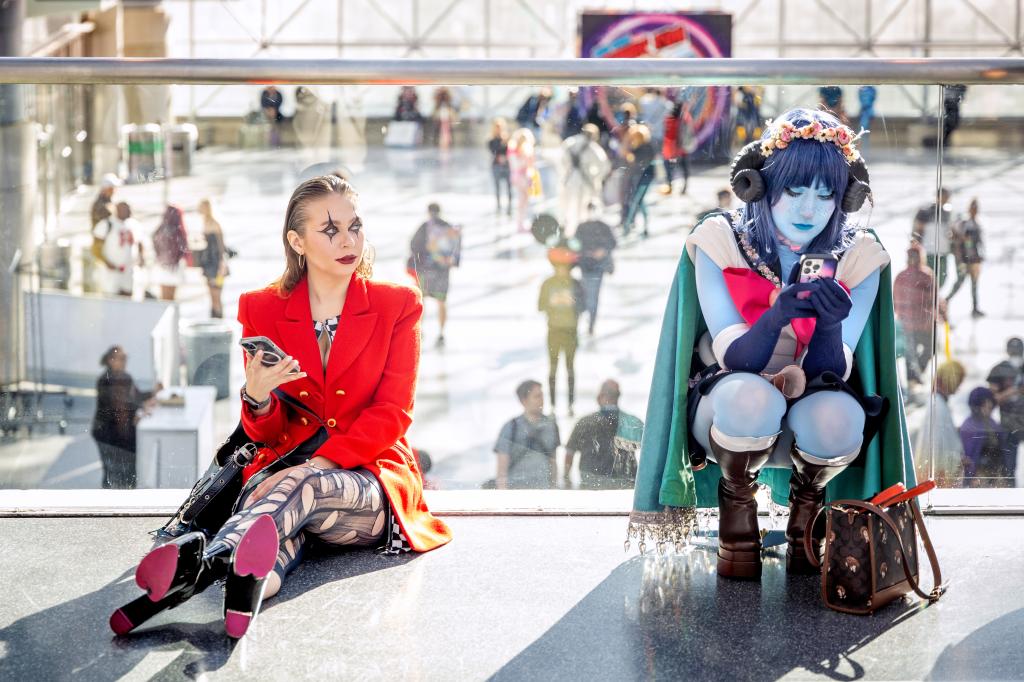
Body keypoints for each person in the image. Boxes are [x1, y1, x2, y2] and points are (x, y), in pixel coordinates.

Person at [116, 175, 452, 638]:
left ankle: (201, 566)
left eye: (354, 226)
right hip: (283, 486)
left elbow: (393, 413)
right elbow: (266, 433)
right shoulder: (261, 308)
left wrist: (318, 464)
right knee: (270, 550)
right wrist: (257, 396)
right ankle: (235, 584)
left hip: (369, 483)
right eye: (330, 229)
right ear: (297, 241)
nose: (348, 239)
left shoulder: (398, 304)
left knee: (299, 488)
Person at [629, 108, 912, 581]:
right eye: (794, 190)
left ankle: (808, 519)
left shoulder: (859, 255)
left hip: (810, 408)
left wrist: (827, 323)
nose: (809, 209)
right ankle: (737, 527)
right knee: (751, 395)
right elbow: (735, 356)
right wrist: (778, 314)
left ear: (846, 197)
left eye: (826, 194)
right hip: (729, 408)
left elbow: (832, 373)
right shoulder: (721, 239)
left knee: (842, 416)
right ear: (756, 186)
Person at [91, 346, 160, 489]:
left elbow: (135, 396)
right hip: (108, 434)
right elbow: (117, 405)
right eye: (121, 358)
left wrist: (152, 393)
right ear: (110, 361)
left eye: (125, 358)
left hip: (122, 432)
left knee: (126, 470)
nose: (124, 362)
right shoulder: (105, 380)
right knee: (112, 471)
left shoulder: (125, 377)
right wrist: (139, 409)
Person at [564, 379, 644, 490]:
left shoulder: (585, 422)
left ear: (600, 397)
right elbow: (649, 454)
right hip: (625, 487)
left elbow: (569, 453)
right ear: (618, 396)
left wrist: (566, 480)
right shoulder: (632, 422)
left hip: (591, 486)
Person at [409, 203, 462, 347]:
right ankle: (441, 333)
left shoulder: (425, 227)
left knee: (421, 300)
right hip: (442, 271)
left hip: (425, 270)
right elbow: (456, 249)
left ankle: (420, 330)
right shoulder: (449, 228)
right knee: (441, 302)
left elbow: (413, 245)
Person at [539, 247, 584, 415]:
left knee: (569, 368)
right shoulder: (549, 284)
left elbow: (583, 306)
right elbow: (540, 305)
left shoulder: (575, 285)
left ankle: (570, 404)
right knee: (553, 369)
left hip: (569, 331)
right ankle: (552, 404)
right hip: (555, 330)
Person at [494, 380, 560, 489]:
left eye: (542, 396)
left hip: (543, 493)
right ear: (523, 401)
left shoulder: (551, 426)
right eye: (537, 396)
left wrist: (554, 489)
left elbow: (553, 462)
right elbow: (502, 470)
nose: (542, 400)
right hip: (516, 494)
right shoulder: (511, 427)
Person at [913, 359, 966, 488]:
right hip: (938, 474)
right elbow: (937, 448)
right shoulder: (937, 406)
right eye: (958, 381)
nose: (959, 387)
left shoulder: (938, 403)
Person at [893, 245, 938, 391]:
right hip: (924, 323)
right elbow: (934, 300)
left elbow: (894, 300)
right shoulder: (927, 275)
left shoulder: (900, 276)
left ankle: (913, 378)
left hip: (906, 323)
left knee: (909, 353)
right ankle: (916, 376)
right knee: (929, 350)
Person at [558, 123, 610, 236]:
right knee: (583, 208)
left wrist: (566, 172)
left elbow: (561, 160)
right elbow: (604, 166)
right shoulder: (592, 147)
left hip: (570, 179)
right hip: (585, 181)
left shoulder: (570, 142)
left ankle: (568, 231)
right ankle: (581, 233)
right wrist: (596, 177)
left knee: (568, 206)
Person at [575, 204, 617, 336]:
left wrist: (602, 251)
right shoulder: (584, 227)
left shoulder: (600, 227)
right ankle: (590, 323)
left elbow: (612, 243)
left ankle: (590, 324)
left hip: (595, 268)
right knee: (589, 296)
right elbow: (575, 245)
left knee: (591, 296)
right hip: (588, 266)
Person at [960, 387, 1012, 488]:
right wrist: (972, 474)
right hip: (978, 478)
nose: (989, 406)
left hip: (995, 476)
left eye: (990, 404)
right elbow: (968, 456)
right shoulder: (969, 426)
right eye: (985, 404)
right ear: (976, 406)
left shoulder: (992, 424)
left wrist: (1003, 476)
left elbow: (1003, 451)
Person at [987, 337, 1024, 473]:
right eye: (1013, 351)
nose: (1016, 355)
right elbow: (990, 401)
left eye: (1018, 351)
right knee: (1008, 467)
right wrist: (1013, 391)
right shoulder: (999, 369)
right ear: (1008, 351)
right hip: (1008, 425)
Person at [91, 201, 143, 297]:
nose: (129, 212)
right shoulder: (106, 224)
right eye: (125, 209)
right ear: (117, 210)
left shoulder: (134, 224)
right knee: (111, 298)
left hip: (128, 270)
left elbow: (139, 243)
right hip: (111, 271)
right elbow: (95, 248)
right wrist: (107, 263)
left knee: (127, 296)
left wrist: (141, 258)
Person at [946, 197, 985, 317]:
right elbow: (954, 233)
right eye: (972, 207)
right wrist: (962, 239)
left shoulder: (977, 225)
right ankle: (946, 300)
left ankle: (975, 308)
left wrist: (980, 256)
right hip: (963, 258)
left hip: (974, 258)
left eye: (976, 208)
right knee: (960, 280)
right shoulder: (963, 222)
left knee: (974, 284)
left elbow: (980, 243)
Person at [912, 186, 954, 289]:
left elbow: (950, 230)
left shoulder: (948, 212)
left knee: (941, 280)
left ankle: (933, 300)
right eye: (945, 197)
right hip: (929, 251)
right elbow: (917, 230)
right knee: (928, 278)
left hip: (943, 251)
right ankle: (929, 300)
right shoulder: (926, 211)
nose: (946, 200)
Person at [620, 124, 657, 237]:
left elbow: (638, 164)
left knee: (636, 201)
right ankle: (639, 226)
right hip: (643, 178)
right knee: (639, 202)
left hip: (644, 179)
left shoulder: (643, 148)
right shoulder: (644, 147)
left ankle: (628, 225)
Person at [152, 205, 192, 302]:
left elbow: (154, 240)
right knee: (170, 298)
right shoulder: (177, 230)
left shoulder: (161, 229)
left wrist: (159, 255)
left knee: (164, 297)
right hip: (173, 267)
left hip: (164, 266)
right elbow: (184, 248)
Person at [198, 198, 229, 318]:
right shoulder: (205, 222)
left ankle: (219, 321)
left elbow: (221, 247)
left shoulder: (215, 223)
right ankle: (214, 319)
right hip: (208, 262)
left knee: (217, 295)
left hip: (216, 264)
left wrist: (222, 264)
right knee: (212, 295)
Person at [659, 98, 694, 195]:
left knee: (669, 170)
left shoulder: (668, 119)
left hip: (669, 150)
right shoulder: (686, 118)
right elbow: (690, 132)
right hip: (681, 150)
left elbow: (665, 134)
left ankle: (670, 186)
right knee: (684, 170)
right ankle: (684, 188)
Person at [508, 127, 538, 233]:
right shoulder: (513, 151)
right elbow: (515, 165)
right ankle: (520, 224)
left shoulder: (524, 150)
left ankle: (522, 222)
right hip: (519, 177)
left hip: (524, 176)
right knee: (522, 200)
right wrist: (524, 160)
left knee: (525, 200)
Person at [487, 118, 512, 215]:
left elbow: (509, 151)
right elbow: (494, 150)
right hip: (496, 166)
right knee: (497, 187)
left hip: (507, 166)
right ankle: (498, 206)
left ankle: (509, 206)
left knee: (509, 187)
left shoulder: (507, 139)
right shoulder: (491, 140)